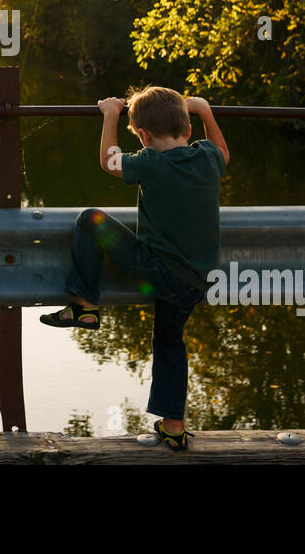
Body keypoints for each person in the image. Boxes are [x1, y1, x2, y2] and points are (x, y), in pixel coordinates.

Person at [40, 86, 229, 450]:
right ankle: (173, 425)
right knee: (170, 339)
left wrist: (110, 113)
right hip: (197, 280)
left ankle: (85, 306)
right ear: (188, 130)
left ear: (142, 136)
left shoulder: (150, 163)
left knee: (89, 219)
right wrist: (206, 112)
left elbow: (110, 162)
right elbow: (223, 151)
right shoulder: (206, 157)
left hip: (157, 271)